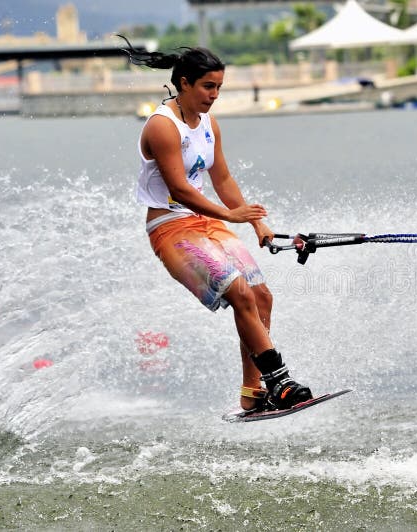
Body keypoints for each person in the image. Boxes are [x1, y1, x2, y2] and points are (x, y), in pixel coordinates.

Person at [121, 39, 312, 413]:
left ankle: (254, 392)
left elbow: (222, 180)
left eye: (219, 88)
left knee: (261, 296)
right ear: (185, 82)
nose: (215, 95)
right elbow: (179, 189)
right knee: (239, 292)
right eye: (209, 87)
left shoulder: (209, 123)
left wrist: (259, 225)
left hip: (206, 222)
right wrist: (231, 217)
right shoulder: (162, 126)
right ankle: (280, 381)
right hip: (171, 228)